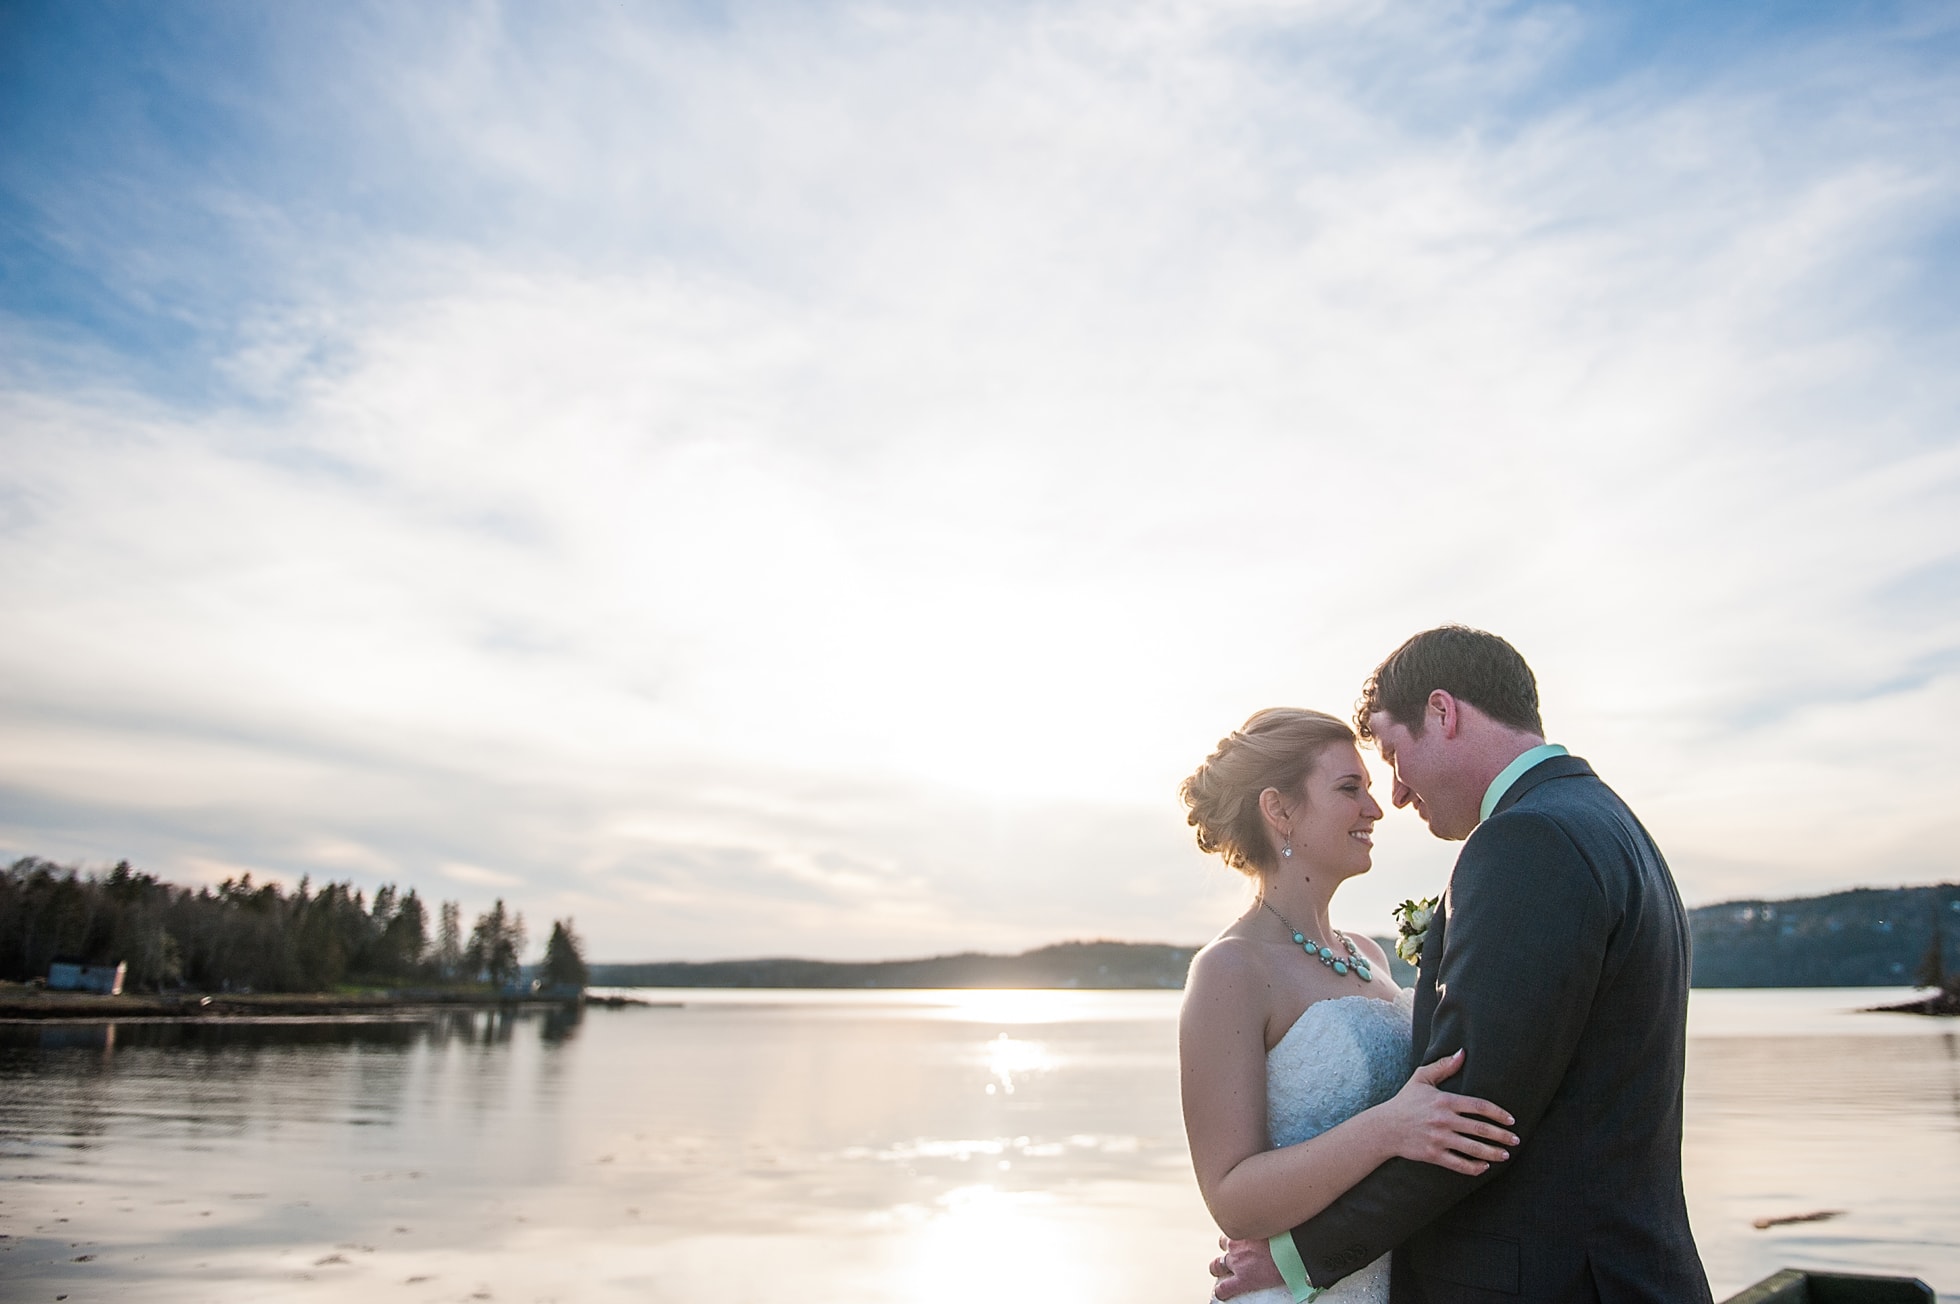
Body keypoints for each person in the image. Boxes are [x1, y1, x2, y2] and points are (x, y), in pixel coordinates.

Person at [1209, 627, 1712, 1303]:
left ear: (1443, 714)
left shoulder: (1528, 840)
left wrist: (1301, 1260)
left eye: (1392, 754)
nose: (1394, 795)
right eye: (1357, 782)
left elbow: (1472, 1118)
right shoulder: (1605, 821)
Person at [1180, 706, 1521, 1303]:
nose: (1376, 807)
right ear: (1279, 810)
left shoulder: (1369, 955)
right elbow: (1232, 1199)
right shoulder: (1230, 971)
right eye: (1349, 788)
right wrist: (1388, 1129)